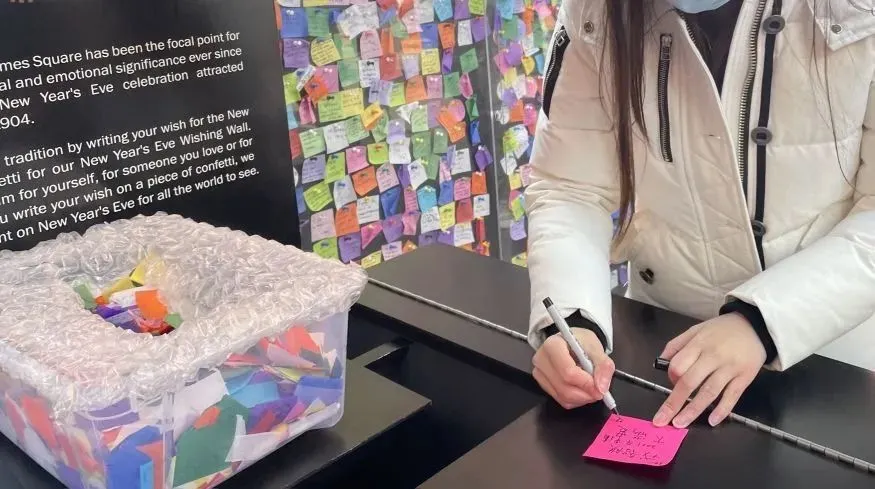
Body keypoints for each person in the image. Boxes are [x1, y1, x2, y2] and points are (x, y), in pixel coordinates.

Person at [526, 0, 875, 429]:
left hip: (831, 367)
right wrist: (573, 318)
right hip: (665, 351)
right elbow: (569, 186)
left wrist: (764, 321)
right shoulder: (594, 10)